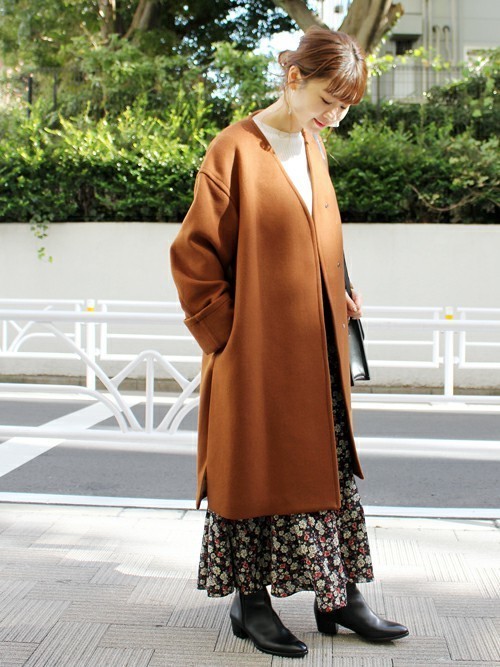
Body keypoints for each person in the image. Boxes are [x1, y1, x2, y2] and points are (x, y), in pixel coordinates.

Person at [170, 26, 409, 659]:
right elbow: (194, 257)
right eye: (330, 100)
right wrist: (229, 336)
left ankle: (340, 597)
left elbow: (319, 228)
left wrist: (342, 286)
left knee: (329, 464)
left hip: (317, 342)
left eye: (347, 106)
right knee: (253, 470)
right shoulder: (233, 149)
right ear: (295, 78)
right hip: (253, 352)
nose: (337, 116)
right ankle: (252, 606)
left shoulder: (312, 143)